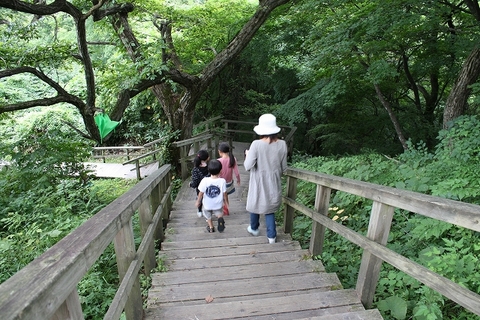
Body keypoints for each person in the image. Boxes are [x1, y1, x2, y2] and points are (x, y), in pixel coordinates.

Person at [244, 114, 288, 244]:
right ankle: (271, 237)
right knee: (269, 208)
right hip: (273, 180)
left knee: (255, 201)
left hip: (258, 179)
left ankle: (254, 228)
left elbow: (247, 166)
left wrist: (247, 155)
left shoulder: (256, 144)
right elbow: (284, 167)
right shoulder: (282, 144)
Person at [195, 159, 228, 233]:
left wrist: (198, 201)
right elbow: (225, 193)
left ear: (208, 170)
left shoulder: (205, 180)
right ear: (220, 171)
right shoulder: (222, 181)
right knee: (219, 213)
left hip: (207, 204)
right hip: (218, 204)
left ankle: (211, 227)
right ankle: (220, 219)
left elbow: (201, 193)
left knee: (208, 215)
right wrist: (226, 202)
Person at [217, 142, 241, 215]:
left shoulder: (219, 161)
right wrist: (238, 180)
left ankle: (221, 209)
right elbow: (236, 172)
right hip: (229, 183)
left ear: (220, 151)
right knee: (225, 195)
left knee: (221, 196)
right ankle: (226, 207)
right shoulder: (233, 159)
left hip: (220, 183)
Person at [189, 150, 210, 217]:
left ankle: (199, 210)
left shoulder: (195, 169)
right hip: (209, 187)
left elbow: (195, 181)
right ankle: (208, 210)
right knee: (208, 197)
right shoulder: (210, 167)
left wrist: (191, 184)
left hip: (199, 188)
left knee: (200, 197)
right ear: (207, 158)